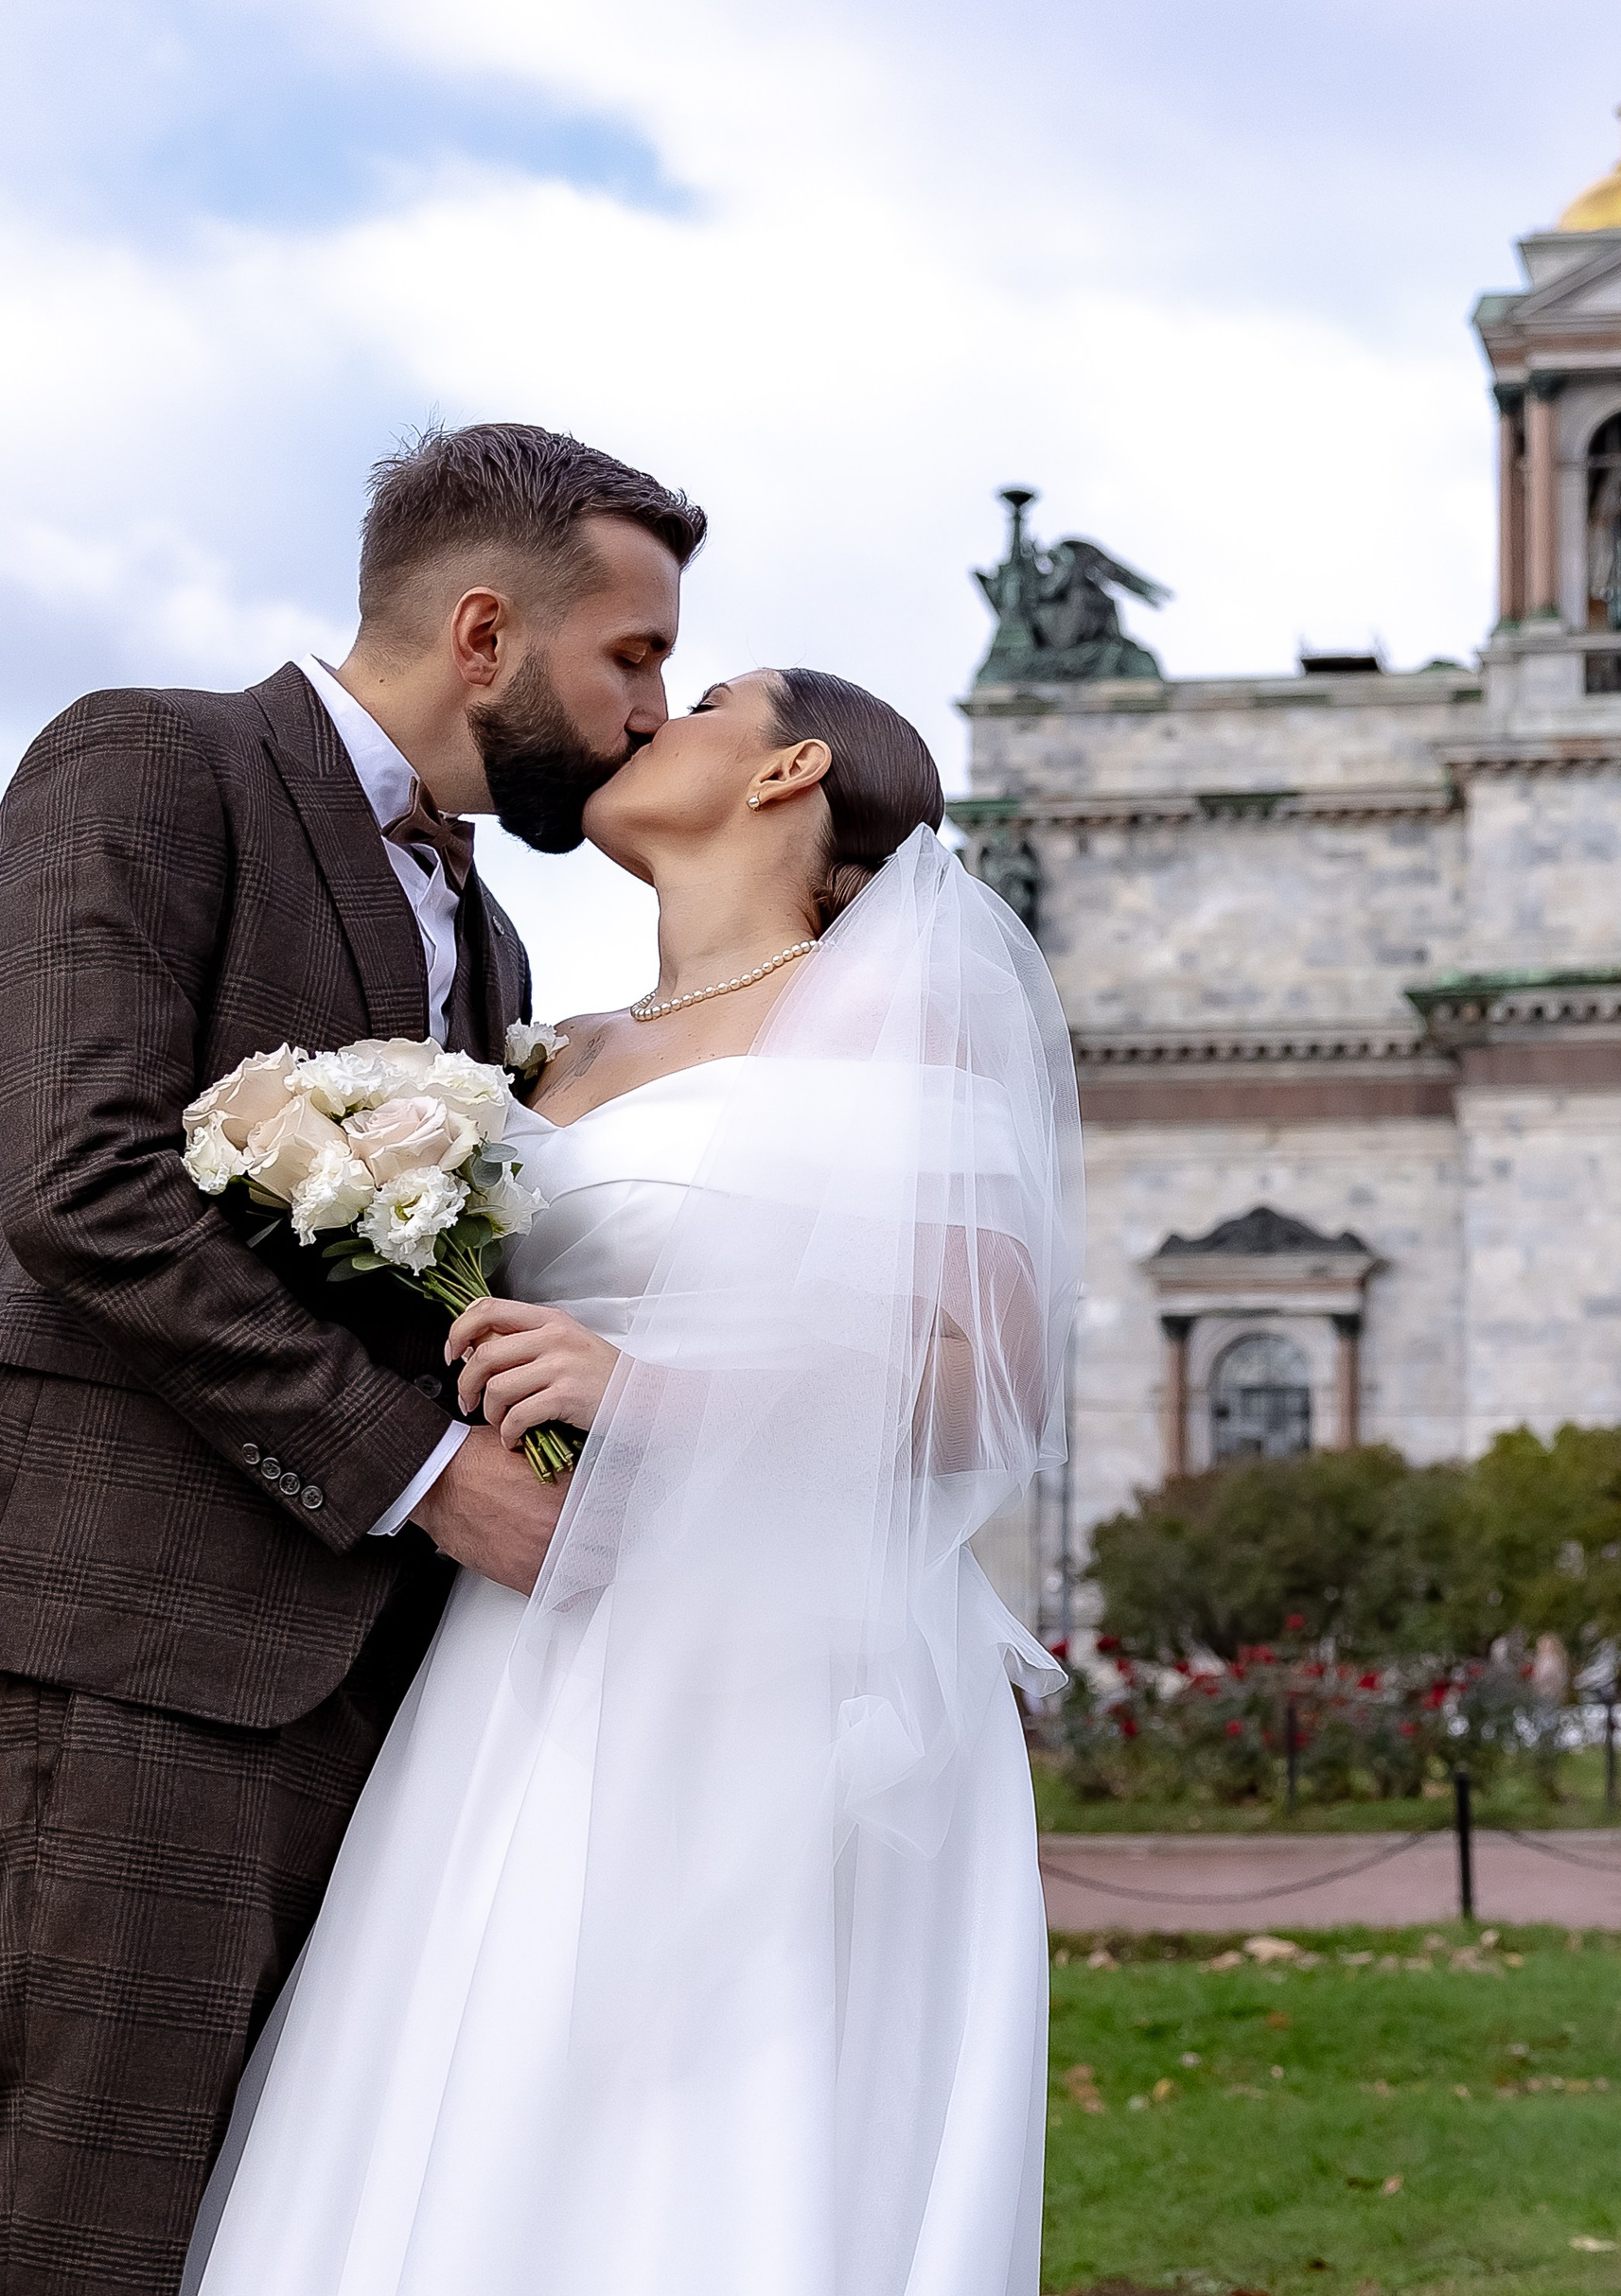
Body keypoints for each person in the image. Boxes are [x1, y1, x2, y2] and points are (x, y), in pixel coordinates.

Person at [0, 423, 709, 2296]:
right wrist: (422, 1469)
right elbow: (83, 1188)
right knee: (96, 2234)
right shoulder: (151, 767)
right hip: (132, 1647)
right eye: (627, 659)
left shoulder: (476, 929)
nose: (650, 714)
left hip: (384, 1694)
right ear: (484, 630)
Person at [185, 667, 1082, 2296]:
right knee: (487, 2042)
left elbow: (982, 1378)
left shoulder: (892, 1014)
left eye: (705, 694)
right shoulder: (554, 1046)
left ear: (791, 767)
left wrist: (655, 1390)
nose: (644, 714)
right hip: (528, 1626)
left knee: (716, 2091)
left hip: (782, 1648)